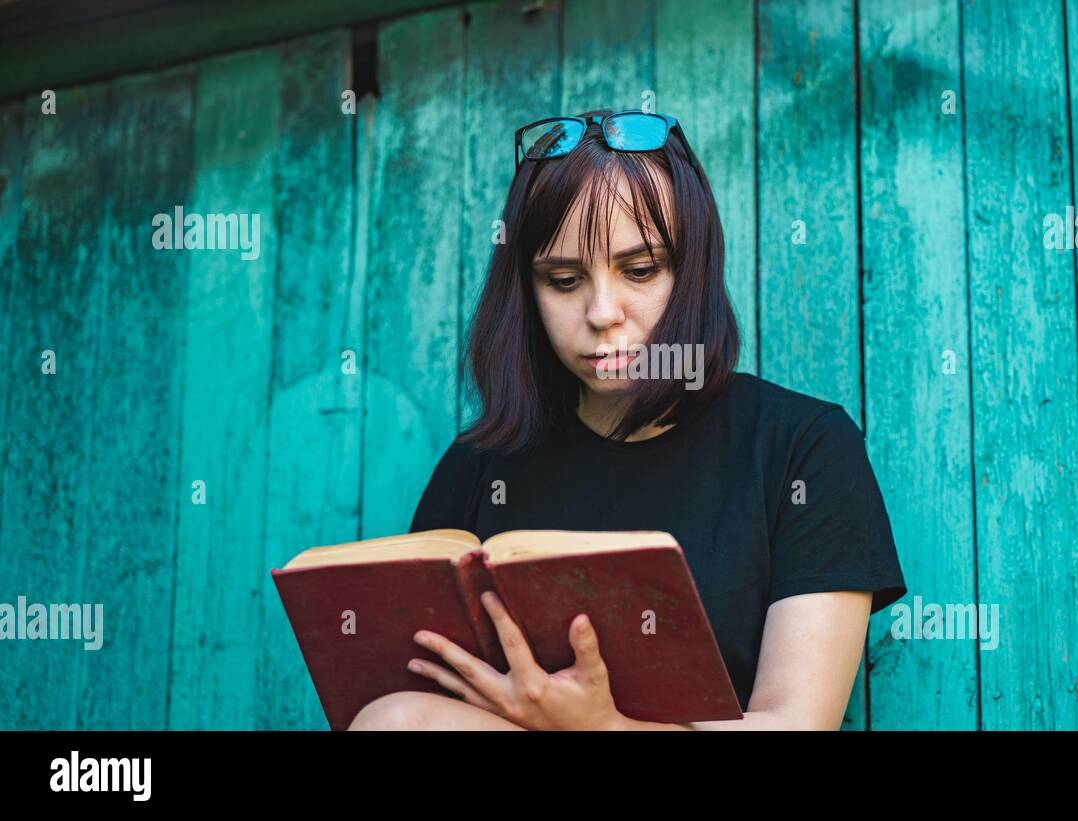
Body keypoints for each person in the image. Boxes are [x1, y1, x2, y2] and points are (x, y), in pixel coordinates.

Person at [349, 108, 906, 730]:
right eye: (562, 280)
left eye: (640, 270)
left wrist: (605, 727)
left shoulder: (803, 447)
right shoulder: (481, 462)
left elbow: (797, 722)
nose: (602, 312)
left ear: (692, 269)